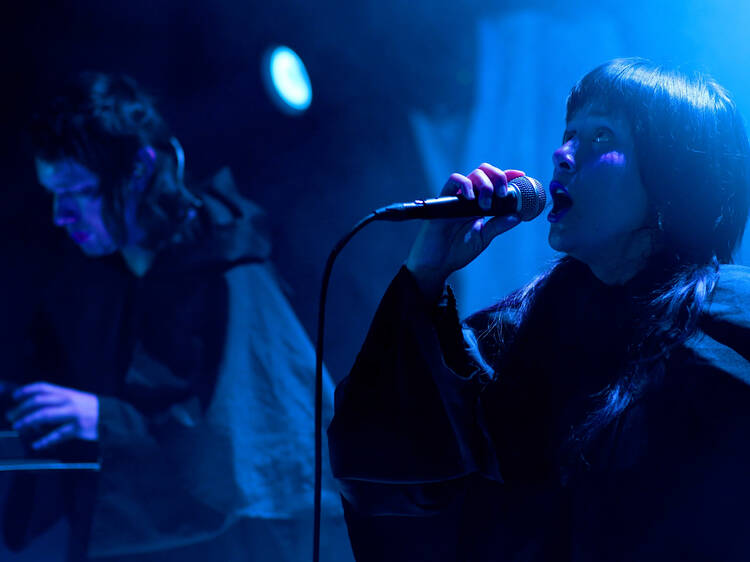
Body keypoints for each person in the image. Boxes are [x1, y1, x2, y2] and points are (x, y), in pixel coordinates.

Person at [328, 58, 750, 561]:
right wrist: (425, 275)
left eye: (600, 138)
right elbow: (389, 474)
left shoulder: (729, 326)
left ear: (674, 178)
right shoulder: (521, 334)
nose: (562, 154)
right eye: (569, 133)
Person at [2, 73, 350, 561]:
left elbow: (247, 443)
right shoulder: (105, 274)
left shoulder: (227, 261)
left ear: (140, 169)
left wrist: (104, 420)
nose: (61, 215)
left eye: (78, 192)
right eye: (53, 195)